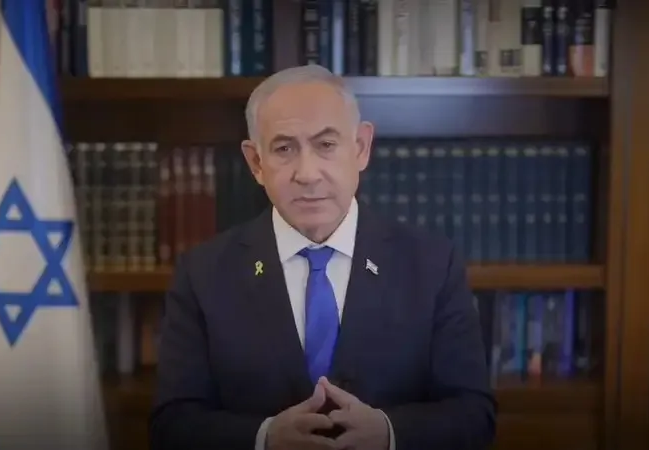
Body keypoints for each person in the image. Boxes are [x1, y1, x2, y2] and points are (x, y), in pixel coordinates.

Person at [150, 64, 496, 450]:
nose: (307, 173)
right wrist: (263, 439)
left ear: (361, 147)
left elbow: (474, 415)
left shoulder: (432, 264)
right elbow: (172, 425)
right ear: (256, 163)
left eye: (326, 145)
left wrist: (389, 433)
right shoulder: (203, 274)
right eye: (284, 149)